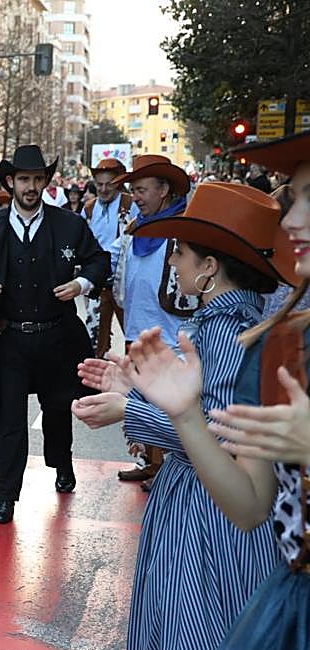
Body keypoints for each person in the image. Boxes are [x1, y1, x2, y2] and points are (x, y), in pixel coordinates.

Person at [72, 181, 284, 650]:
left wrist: (126, 409)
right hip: (215, 515)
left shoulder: (223, 331)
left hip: (205, 521)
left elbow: (214, 428)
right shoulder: (244, 322)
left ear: (210, 266)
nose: (171, 264)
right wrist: (131, 388)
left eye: (181, 254)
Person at [132, 129, 310, 650]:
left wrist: (149, 414)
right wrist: (177, 413)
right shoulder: (282, 340)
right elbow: (252, 505)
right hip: (288, 620)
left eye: (304, 201)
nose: (290, 220)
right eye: (292, 200)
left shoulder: (252, 334)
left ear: (210, 266)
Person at [0, 145, 111, 524]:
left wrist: (81, 283)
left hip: (57, 337)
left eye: (37, 179)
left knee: (58, 411)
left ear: (45, 181)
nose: (30, 186)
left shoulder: (69, 224)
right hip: (10, 339)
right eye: (23, 179)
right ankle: (6, 496)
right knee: (10, 420)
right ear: (10, 182)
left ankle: (62, 465)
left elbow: (99, 261)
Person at [107, 155, 200, 490]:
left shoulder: (184, 228)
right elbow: (113, 261)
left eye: (143, 189)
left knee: (170, 403)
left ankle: (171, 469)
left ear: (164, 190)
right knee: (143, 398)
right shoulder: (135, 229)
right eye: (134, 190)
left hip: (173, 335)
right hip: (137, 328)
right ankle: (150, 461)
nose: (137, 197)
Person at [83, 158, 134, 355]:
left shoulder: (131, 205)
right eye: (99, 184)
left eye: (109, 184)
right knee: (94, 335)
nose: (103, 189)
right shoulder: (88, 208)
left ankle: (136, 379)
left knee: (133, 335)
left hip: (125, 281)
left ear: (119, 183)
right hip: (98, 281)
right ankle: (95, 376)